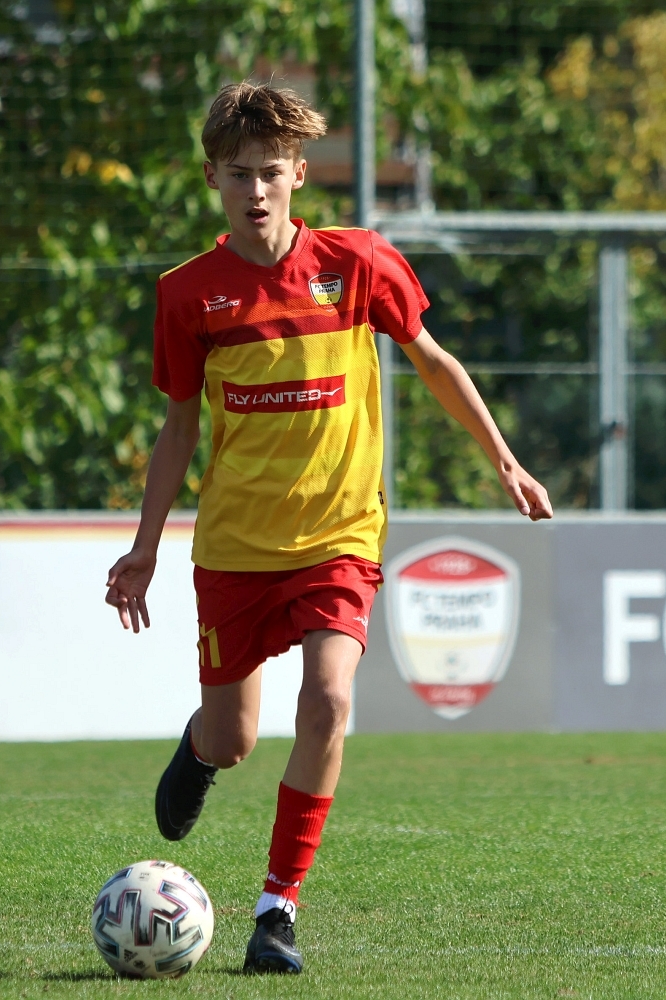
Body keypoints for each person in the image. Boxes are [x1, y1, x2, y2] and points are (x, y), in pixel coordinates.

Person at [103, 81, 552, 975]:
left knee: (330, 702)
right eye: (239, 174)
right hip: (235, 548)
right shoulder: (187, 296)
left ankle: (276, 910)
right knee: (233, 738)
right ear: (212, 179)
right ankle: (199, 751)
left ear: (299, 175)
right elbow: (179, 428)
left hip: (340, 536)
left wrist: (502, 459)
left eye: (272, 172)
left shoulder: (358, 263)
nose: (256, 190)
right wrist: (145, 547)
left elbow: (432, 360)